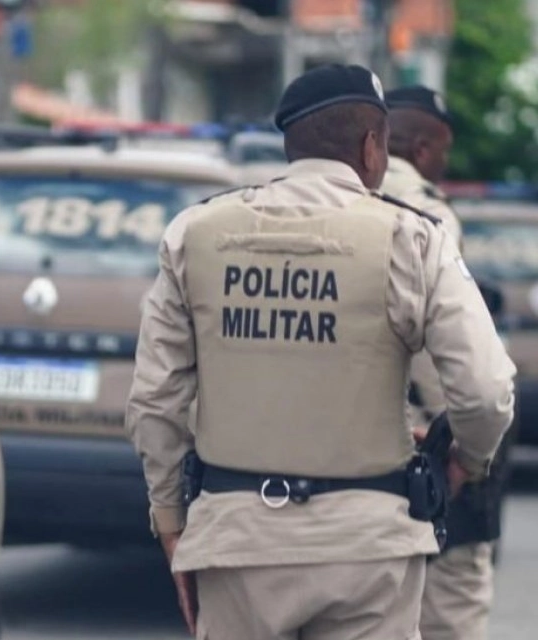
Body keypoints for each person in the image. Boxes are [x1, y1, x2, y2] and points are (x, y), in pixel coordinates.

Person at [125, 64, 516, 640]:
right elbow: (485, 391)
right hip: (368, 549)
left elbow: (155, 401)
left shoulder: (195, 234)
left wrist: (170, 521)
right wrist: (470, 461)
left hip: (238, 540)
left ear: (291, 145)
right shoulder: (413, 238)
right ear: (372, 145)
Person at [382, 85, 515, 640]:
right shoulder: (428, 213)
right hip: (420, 440)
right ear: (417, 147)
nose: (444, 161)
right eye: (441, 149)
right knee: (454, 595)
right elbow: (452, 359)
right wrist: (466, 452)